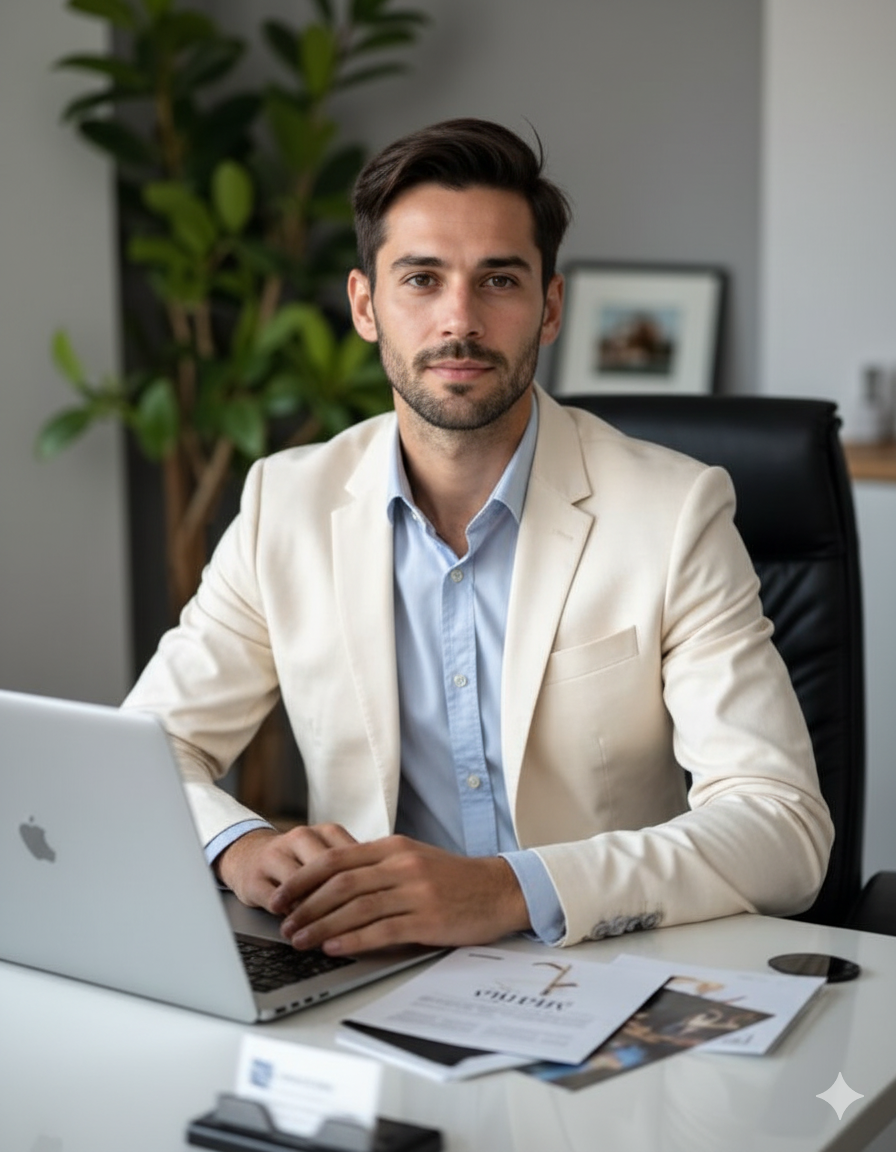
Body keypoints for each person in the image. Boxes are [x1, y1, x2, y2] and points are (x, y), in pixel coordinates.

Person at [122, 118, 833, 957]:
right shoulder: (287, 502)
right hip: (363, 966)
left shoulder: (674, 512)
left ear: (550, 307)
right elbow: (145, 754)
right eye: (421, 279)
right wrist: (237, 849)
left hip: (602, 966)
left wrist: (505, 889)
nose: (458, 320)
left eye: (498, 280)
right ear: (364, 305)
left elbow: (783, 827)